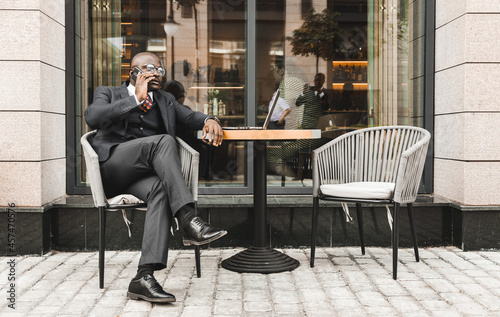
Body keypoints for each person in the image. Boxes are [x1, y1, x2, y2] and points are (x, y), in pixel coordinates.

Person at [84, 52, 226, 303]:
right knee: (163, 141)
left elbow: (189, 116)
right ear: (133, 73)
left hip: (141, 178)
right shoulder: (108, 93)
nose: (156, 74)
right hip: (115, 168)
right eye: (149, 68)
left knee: (161, 188)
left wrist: (209, 119)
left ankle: (143, 277)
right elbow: (93, 117)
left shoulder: (165, 99)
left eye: (159, 70)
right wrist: (134, 99)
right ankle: (188, 219)